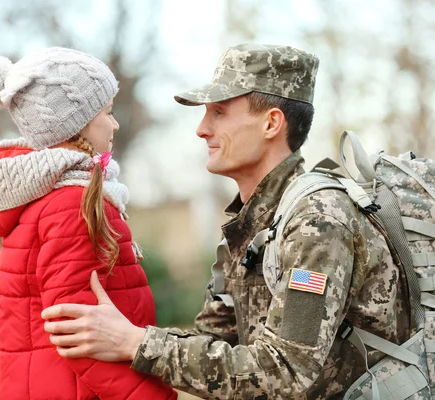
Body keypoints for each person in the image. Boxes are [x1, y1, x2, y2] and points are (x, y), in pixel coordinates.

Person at [41, 44, 411, 399]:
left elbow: (287, 372)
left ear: (271, 124)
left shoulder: (318, 221)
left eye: (218, 112)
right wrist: (121, 335)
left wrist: (135, 342)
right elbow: (213, 343)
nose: (201, 129)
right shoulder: (254, 225)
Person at [0, 47, 177, 400]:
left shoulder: (47, 198)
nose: (115, 124)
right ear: (77, 123)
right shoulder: (73, 205)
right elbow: (81, 332)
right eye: (107, 113)